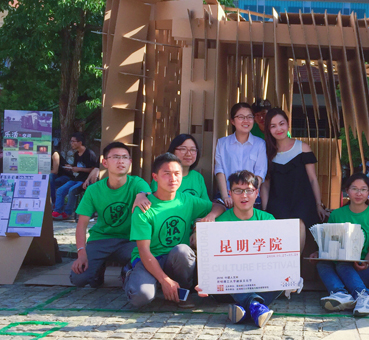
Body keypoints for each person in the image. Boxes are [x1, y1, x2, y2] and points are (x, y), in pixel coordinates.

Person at [123, 153, 225, 308]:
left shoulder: (187, 200)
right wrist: (164, 280)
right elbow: (144, 251)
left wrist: (211, 215)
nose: (173, 179)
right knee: (141, 298)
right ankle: (131, 276)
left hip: (175, 258)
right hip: (149, 258)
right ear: (155, 177)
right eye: (167, 174)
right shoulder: (143, 207)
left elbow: (219, 207)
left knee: (183, 251)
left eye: (177, 174)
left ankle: (181, 293)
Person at [195, 170, 280, 328]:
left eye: (249, 190)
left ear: (256, 193)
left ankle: (246, 308)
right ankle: (255, 305)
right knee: (226, 274)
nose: (244, 196)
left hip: (259, 283)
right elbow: (210, 262)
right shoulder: (219, 223)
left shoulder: (268, 220)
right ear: (230, 193)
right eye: (238, 191)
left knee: (281, 281)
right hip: (227, 288)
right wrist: (204, 280)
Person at [69, 142, 151, 288]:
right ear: (105, 162)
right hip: (101, 239)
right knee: (79, 279)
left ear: (130, 162)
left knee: (144, 260)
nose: (121, 161)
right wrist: (81, 253)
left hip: (129, 240)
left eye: (125, 157)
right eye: (116, 157)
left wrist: (141, 195)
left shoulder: (137, 183)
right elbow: (81, 224)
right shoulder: (93, 190)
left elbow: (146, 193)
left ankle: (127, 271)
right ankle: (98, 269)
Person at [313, 173, 369, 316]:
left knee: (343, 265)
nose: (359, 193)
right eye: (354, 189)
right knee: (322, 264)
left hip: (366, 269)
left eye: (363, 189)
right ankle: (341, 294)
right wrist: (318, 254)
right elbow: (329, 243)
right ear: (347, 190)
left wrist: (365, 262)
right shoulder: (336, 215)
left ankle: (364, 297)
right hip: (340, 264)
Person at [260, 108, 328, 250]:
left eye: (281, 124)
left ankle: (296, 263)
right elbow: (266, 184)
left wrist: (318, 204)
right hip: (278, 201)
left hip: (302, 200)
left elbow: (312, 179)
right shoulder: (266, 152)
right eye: (273, 126)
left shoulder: (303, 148)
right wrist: (265, 209)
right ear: (268, 129)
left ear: (288, 124)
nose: (279, 129)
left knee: (299, 225)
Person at [214, 103, 267, 208]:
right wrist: (225, 197)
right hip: (228, 197)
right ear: (232, 121)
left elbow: (260, 173)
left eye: (249, 117)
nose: (246, 120)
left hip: (252, 198)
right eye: (241, 117)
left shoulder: (260, 144)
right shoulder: (222, 143)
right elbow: (220, 171)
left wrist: (248, 196)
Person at [53, 133, 99, 220]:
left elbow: (93, 169)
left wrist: (79, 169)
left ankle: (68, 213)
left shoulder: (89, 154)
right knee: (60, 190)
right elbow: (76, 167)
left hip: (85, 180)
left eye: (73, 141)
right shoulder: (76, 154)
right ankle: (57, 211)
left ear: (80, 142)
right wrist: (70, 167)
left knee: (72, 190)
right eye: (71, 141)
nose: (71, 143)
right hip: (76, 178)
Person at [151, 134, 208, 199]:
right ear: (173, 151)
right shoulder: (161, 177)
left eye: (192, 150)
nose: (188, 154)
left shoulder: (198, 177)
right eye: (183, 149)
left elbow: (206, 204)